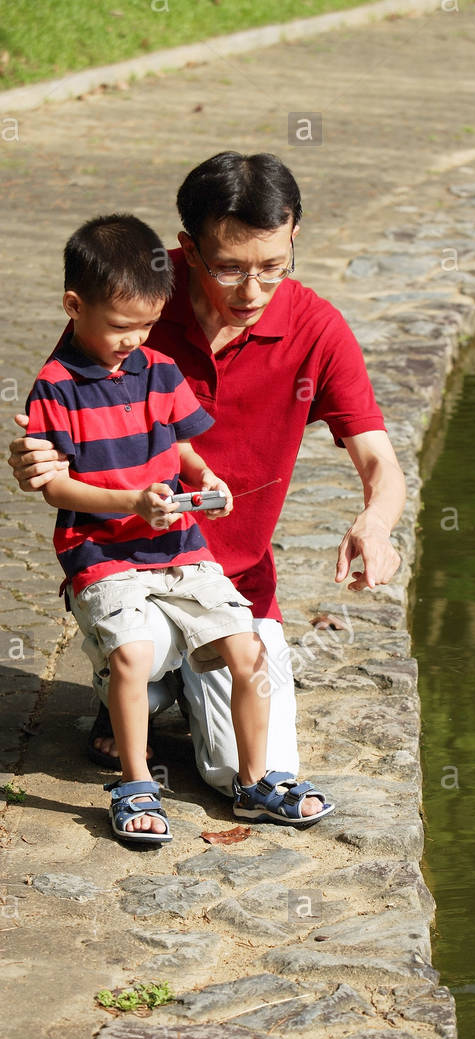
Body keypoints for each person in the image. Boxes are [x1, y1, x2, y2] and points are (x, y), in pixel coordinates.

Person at [8, 151, 405, 820]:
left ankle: (173, 695)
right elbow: (57, 427)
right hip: (125, 563)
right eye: (229, 268)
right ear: (187, 249)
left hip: (236, 585)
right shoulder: (129, 297)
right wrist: (36, 464)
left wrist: (377, 520)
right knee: (141, 657)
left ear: (293, 238)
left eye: (273, 267)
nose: (252, 292)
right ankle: (138, 685)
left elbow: (377, 457)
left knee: (239, 773)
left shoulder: (315, 328)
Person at [27, 212, 333, 844]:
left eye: (144, 325)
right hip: (103, 554)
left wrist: (209, 482)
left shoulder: (158, 368)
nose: (132, 340)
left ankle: (255, 782)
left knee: (246, 651)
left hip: (178, 548)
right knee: (134, 654)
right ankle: (136, 780)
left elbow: (185, 447)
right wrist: (130, 503)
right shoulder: (55, 387)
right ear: (73, 307)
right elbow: (55, 485)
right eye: (118, 327)